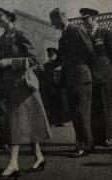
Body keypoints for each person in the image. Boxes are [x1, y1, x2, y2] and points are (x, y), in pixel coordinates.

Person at [0, 3, 51, 179]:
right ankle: (39, 157)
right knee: (26, 123)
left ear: (9, 15)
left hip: (24, 87)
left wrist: (11, 62)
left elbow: (34, 59)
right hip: (11, 88)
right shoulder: (1, 39)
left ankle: (13, 163)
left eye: (0, 15)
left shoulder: (21, 34)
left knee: (15, 124)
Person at [46, 8, 94, 157]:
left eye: (53, 21)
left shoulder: (76, 31)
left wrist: (81, 67)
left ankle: (84, 146)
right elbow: (59, 58)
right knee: (75, 113)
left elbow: (90, 51)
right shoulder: (63, 37)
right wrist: (43, 66)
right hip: (71, 80)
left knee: (81, 113)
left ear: (61, 17)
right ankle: (84, 144)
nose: (53, 24)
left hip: (81, 78)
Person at [80, 8, 112, 147]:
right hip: (91, 76)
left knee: (106, 106)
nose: (84, 22)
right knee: (95, 107)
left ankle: (109, 137)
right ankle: (98, 137)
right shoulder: (85, 35)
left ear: (94, 19)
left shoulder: (105, 34)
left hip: (105, 75)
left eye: (86, 19)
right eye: (83, 19)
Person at [40, 47, 64, 126]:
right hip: (49, 86)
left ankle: (60, 121)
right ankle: (53, 120)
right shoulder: (46, 65)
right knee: (51, 104)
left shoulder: (58, 63)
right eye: (49, 54)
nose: (50, 55)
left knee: (59, 103)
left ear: (55, 54)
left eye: (52, 54)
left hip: (57, 86)